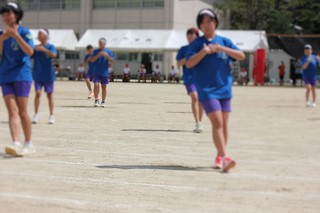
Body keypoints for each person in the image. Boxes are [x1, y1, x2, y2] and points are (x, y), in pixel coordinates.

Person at [186, 8, 245, 172]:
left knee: (224, 124)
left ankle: (220, 155)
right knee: (217, 122)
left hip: (224, 89)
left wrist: (222, 49)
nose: (206, 24)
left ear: (215, 23)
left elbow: (241, 56)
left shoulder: (224, 41)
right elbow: (189, 64)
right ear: (200, 25)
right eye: (203, 22)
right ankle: (225, 158)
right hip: (206, 90)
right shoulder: (197, 44)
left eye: (209, 21)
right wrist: (204, 52)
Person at [0, 2, 35, 156]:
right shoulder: (1, 34)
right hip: (5, 75)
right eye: (4, 14)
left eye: (9, 13)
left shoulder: (24, 32)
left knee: (22, 111)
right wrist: (2, 39)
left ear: (16, 15)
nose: (6, 17)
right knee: (12, 110)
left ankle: (28, 143)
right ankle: (16, 143)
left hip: (22, 75)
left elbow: (30, 51)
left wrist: (16, 36)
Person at [177, 28, 203, 133]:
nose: (190, 36)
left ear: (197, 36)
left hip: (201, 78)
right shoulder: (183, 49)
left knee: (201, 101)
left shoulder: (202, 48)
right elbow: (178, 63)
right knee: (195, 98)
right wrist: (189, 58)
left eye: (192, 34)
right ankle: (197, 122)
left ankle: (199, 123)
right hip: (189, 78)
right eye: (188, 34)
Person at [32, 29, 57, 125]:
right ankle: (36, 114)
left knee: (49, 95)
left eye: (40, 34)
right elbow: (29, 54)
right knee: (37, 93)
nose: (38, 35)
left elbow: (54, 55)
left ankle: (51, 115)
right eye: (38, 34)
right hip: (38, 74)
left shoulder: (51, 46)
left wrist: (43, 49)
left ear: (46, 36)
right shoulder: (36, 47)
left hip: (48, 75)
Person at [91, 38, 114, 107]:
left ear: (104, 44)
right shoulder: (95, 51)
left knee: (103, 87)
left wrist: (106, 55)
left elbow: (112, 61)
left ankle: (103, 101)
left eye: (102, 43)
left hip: (104, 72)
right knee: (96, 85)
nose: (100, 45)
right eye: (99, 43)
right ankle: (96, 100)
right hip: (96, 72)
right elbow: (92, 60)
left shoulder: (108, 51)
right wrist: (98, 55)